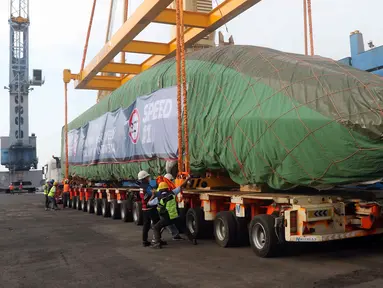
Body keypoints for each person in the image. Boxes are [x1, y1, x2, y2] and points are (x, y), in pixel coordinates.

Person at [149, 175, 195, 249]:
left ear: (159, 190)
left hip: (166, 218)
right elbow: (181, 186)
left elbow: (149, 203)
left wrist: (153, 195)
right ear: (167, 188)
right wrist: (187, 179)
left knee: (156, 228)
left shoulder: (158, 198)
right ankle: (193, 239)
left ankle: (157, 243)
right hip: (175, 217)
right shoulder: (173, 193)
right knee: (184, 228)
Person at [137, 170, 162, 247]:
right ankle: (157, 240)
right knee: (157, 224)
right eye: (147, 177)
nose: (149, 178)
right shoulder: (147, 186)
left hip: (144, 208)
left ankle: (145, 241)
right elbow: (154, 193)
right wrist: (162, 192)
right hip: (150, 208)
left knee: (146, 225)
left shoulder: (141, 186)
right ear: (144, 178)